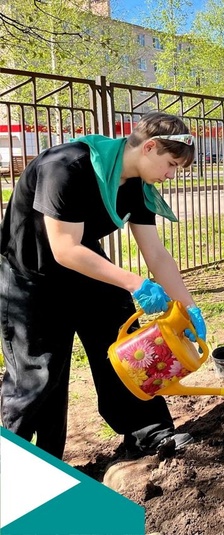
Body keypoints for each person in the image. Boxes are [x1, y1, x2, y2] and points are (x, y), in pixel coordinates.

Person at [0, 111, 208, 459]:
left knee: (123, 337)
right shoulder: (66, 166)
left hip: (84, 269)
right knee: (38, 376)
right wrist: (136, 283)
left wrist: (187, 308)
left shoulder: (138, 186)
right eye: (170, 164)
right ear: (150, 147)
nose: (171, 175)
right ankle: (20, 466)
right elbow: (65, 249)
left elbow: (156, 254)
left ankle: (148, 433)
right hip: (29, 277)